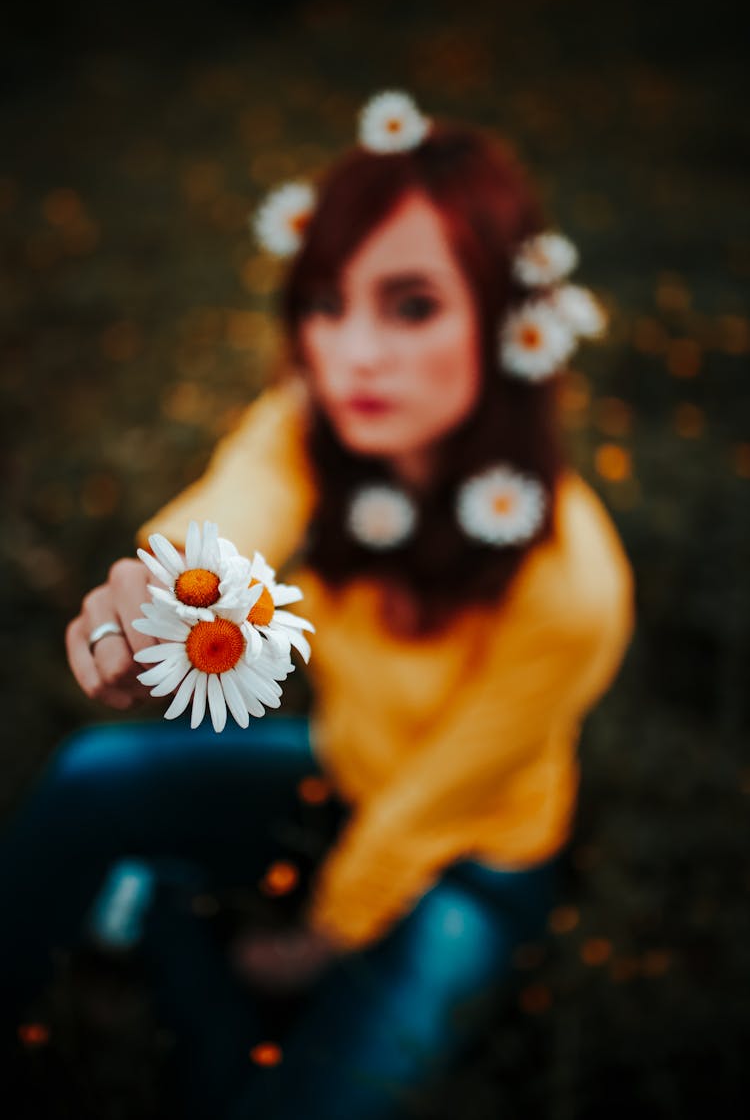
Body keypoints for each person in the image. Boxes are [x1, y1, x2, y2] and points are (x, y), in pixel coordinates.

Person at [0, 92, 635, 1119]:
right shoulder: (307, 430)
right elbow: (229, 516)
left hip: (469, 856)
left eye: (412, 304)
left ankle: (166, 922)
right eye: (325, 302)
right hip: (338, 772)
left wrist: (316, 940)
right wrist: (157, 598)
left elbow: (436, 798)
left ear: (511, 323)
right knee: (91, 773)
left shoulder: (572, 583)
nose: (352, 354)